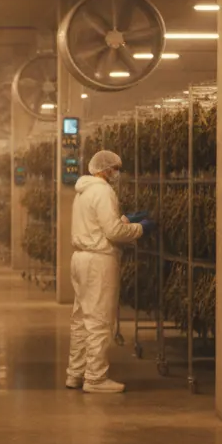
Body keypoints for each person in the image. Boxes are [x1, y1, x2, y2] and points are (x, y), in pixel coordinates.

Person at [66, 150, 155, 393]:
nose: (117, 173)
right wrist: (139, 228)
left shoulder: (83, 190)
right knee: (99, 320)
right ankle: (95, 378)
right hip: (98, 262)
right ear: (106, 170)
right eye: (116, 168)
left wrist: (124, 219)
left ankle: (76, 373)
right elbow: (113, 233)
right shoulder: (104, 191)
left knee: (81, 319)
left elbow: (98, 223)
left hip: (80, 259)